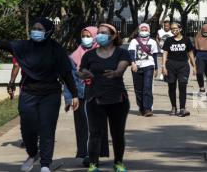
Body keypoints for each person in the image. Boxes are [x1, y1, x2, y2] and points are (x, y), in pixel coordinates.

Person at [0, 18, 79, 172]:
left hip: (50, 93)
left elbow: (66, 73)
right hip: (29, 92)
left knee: (47, 128)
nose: (36, 32)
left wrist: (74, 94)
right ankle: (33, 154)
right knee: (27, 127)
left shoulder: (56, 49)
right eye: (34, 28)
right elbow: (9, 45)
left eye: (40, 29)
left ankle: (45, 164)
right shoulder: (25, 46)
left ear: (48, 32)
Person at [78, 23, 131, 172]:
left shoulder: (122, 53)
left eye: (104, 33)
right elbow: (81, 71)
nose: (99, 35)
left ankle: (118, 162)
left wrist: (115, 73)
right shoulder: (89, 55)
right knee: (95, 133)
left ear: (113, 36)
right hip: (95, 98)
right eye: (99, 32)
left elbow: (122, 67)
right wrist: (83, 74)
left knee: (117, 133)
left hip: (118, 99)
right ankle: (93, 164)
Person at [64, 26, 109, 167]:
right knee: (82, 126)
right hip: (80, 95)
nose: (86, 38)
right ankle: (84, 153)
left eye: (89, 35)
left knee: (95, 126)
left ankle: (94, 155)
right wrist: (69, 97)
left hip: (97, 95)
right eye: (83, 35)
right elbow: (68, 78)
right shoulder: (74, 55)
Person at [162, 22, 196, 117]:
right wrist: (163, 66)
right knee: (171, 87)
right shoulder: (169, 40)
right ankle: (173, 107)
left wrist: (194, 66)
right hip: (171, 66)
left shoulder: (186, 40)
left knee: (182, 87)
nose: (173, 30)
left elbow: (190, 53)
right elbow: (165, 53)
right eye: (172, 29)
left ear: (180, 29)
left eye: (175, 28)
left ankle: (182, 108)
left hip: (183, 66)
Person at [128, 23, 159, 117]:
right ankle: (141, 107)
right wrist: (133, 63)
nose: (144, 32)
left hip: (149, 66)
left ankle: (148, 108)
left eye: (146, 30)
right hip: (136, 67)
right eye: (142, 30)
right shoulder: (134, 41)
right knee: (138, 89)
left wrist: (156, 68)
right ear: (139, 31)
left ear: (149, 31)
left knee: (147, 87)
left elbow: (154, 56)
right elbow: (131, 52)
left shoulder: (153, 42)